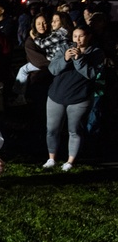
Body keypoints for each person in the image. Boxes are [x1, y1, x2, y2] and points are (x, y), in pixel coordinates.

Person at [43, 26, 104, 171]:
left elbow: (91, 74)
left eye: (81, 36)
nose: (77, 39)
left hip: (79, 99)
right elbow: (53, 69)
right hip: (56, 96)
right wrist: (65, 58)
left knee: (74, 130)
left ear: (88, 36)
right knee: (52, 130)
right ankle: (51, 158)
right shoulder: (64, 48)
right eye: (75, 36)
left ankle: (70, 161)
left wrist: (79, 60)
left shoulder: (96, 52)